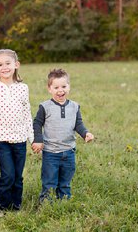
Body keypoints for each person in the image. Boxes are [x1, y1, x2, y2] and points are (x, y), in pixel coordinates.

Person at [32, 68, 95, 203]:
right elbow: (37, 124)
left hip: (69, 151)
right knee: (49, 179)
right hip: (50, 152)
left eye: (64, 86)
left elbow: (78, 124)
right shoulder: (45, 107)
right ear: (49, 89)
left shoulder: (74, 106)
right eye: (56, 87)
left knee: (66, 179)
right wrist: (37, 139)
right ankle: (46, 201)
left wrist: (85, 133)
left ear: (69, 87)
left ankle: (64, 199)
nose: (60, 90)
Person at [0, 49, 33, 213]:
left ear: (16, 65)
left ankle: (16, 206)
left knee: (18, 177)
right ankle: (2, 207)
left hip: (20, 139)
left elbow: (27, 113)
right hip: (0, 138)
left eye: (8, 63)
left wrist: (32, 138)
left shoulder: (23, 87)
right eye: (0, 64)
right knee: (8, 175)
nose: (4, 67)